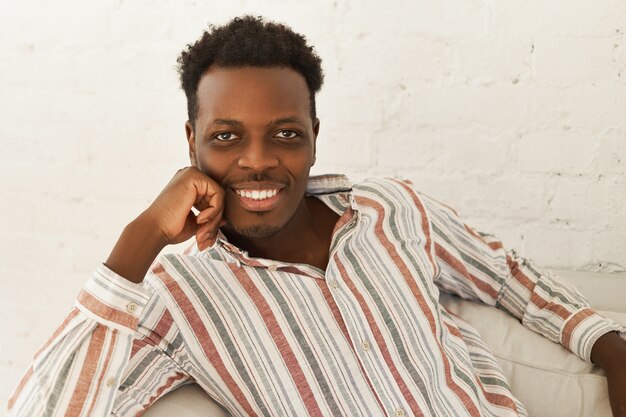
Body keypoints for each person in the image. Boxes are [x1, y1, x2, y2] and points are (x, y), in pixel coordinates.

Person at [7, 15, 626, 417]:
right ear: (191, 141)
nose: (258, 161)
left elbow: (509, 277)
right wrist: (141, 236)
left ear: (313, 136)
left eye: (284, 133)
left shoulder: (391, 209)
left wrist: (611, 348)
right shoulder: (179, 296)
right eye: (226, 137)